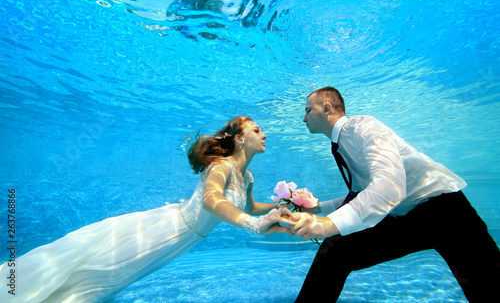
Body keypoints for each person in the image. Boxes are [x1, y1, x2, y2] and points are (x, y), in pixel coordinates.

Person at [0, 116, 294, 302]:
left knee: (108, 277)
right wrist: (253, 225)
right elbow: (211, 200)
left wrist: (282, 206)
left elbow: (250, 205)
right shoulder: (221, 166)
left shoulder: (247, 176)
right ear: (240, 139)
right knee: (103, 271)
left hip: (184, 239)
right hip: (167, 229)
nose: (264, 134)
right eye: (257, 130)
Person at [291, 87, 500, 302]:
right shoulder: (341, 143)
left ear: (327, 108)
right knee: (335, 250)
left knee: (489, 288)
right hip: (408, 217)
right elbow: (361, 194)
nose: (304, 118)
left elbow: (389, 185)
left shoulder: (363, 127)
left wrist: (328, 223)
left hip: (447, 213)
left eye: (308, 110)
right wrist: (319, 208)